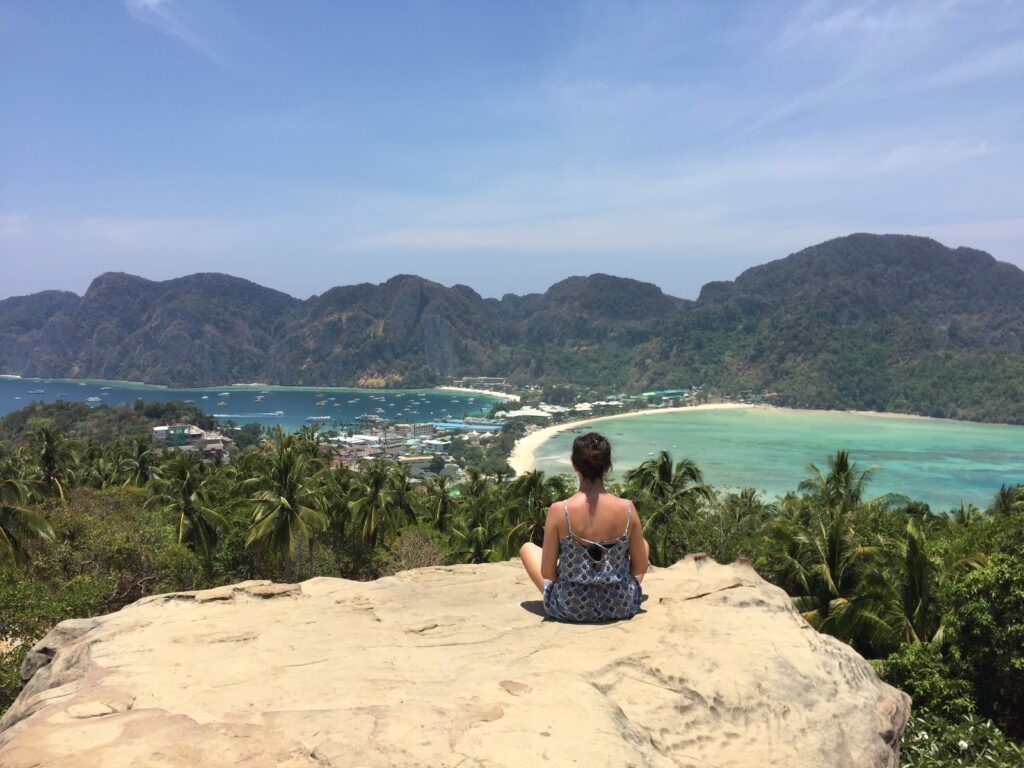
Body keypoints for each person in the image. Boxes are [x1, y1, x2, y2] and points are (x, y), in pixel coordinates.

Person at [519, 432, 649, 622]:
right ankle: (615, 589)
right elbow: (640, 567)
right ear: (607, 466)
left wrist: (578, 573)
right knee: (643, 544)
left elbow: (547, 572)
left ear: (574, 465)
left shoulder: (559, 510)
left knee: (527, 548)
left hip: (569, 606)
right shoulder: (627, 508)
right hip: (621, 605)